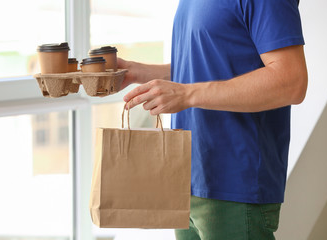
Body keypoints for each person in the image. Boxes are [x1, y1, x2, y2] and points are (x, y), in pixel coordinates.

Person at [118, 0, 307, 239]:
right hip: (187, 178)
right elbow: (205, 65)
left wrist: (186, 94)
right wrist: (138, 71)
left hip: (235, 185)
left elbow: (291, 82)